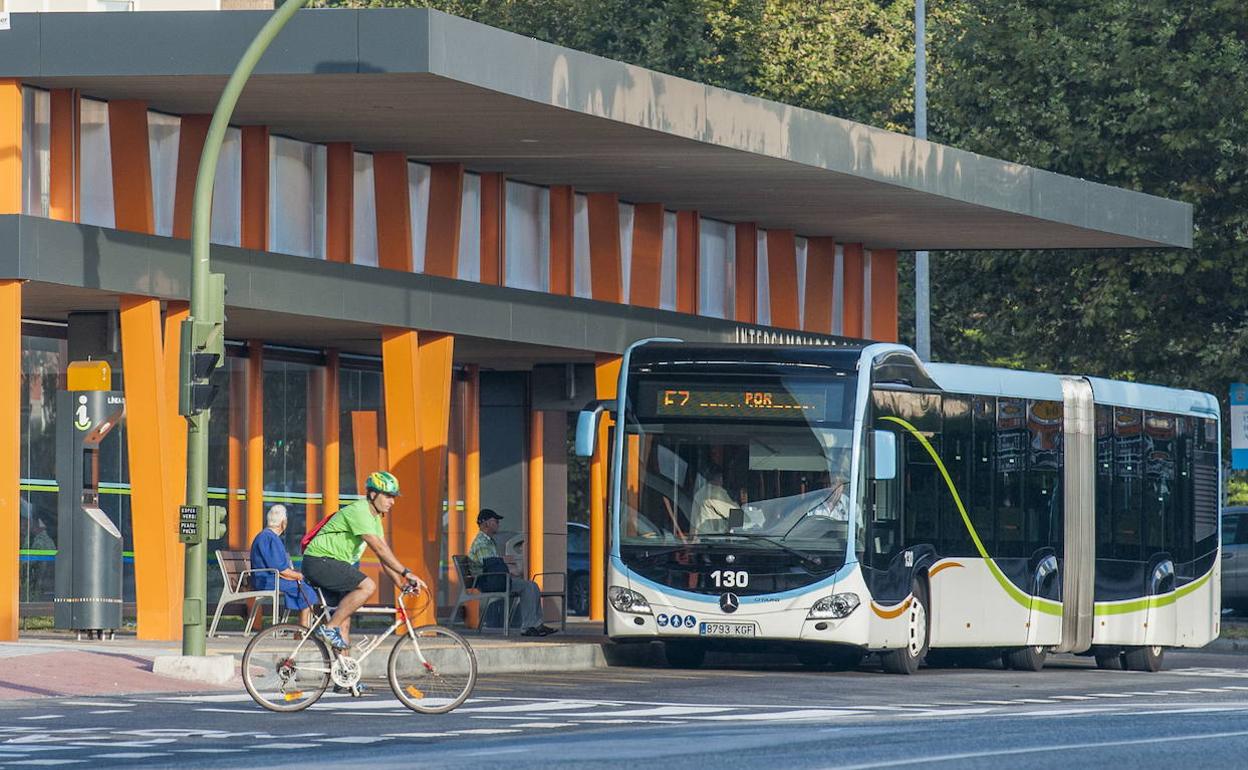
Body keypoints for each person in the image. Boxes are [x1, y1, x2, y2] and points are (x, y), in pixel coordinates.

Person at [302, 471, 425, 651]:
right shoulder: (360, 511)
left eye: (394, 497)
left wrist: (400, 582)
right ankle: (328, 629)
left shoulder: (374, 518)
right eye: (389, 496)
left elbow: (383, 556)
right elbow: (379, 548)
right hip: (320, 560)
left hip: (333, 563)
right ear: (373, 494)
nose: (393, 501)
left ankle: (345, 677)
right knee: (368, 586)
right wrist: (406, 572)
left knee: (344, 620)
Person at [468, 509, 556, 637]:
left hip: (494, 579)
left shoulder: (488, 540)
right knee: (528, 587)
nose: (498, 523)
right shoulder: (481, 542)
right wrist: (506, 564)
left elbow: (493, 564)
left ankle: (536, 624)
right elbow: (488, 563)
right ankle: (528, 627)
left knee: (532, 586)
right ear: (485, 523)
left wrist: (506, 566)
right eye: (495, 521)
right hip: (488, 581)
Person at [249, 504, 318, 628]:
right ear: (283, 523)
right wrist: (299, 576)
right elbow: (280, 570)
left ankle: (303, 629)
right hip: (268, 580)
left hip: (267, 578)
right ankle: (302, 630)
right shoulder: (269, 538)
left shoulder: (266, 536)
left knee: (304, 586)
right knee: (306, 590)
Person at [690, 465, 736, 535]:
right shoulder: (716, 492)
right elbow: (736, 515)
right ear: (719, 478)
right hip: (715, 539)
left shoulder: (700, 493)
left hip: (700, 539)